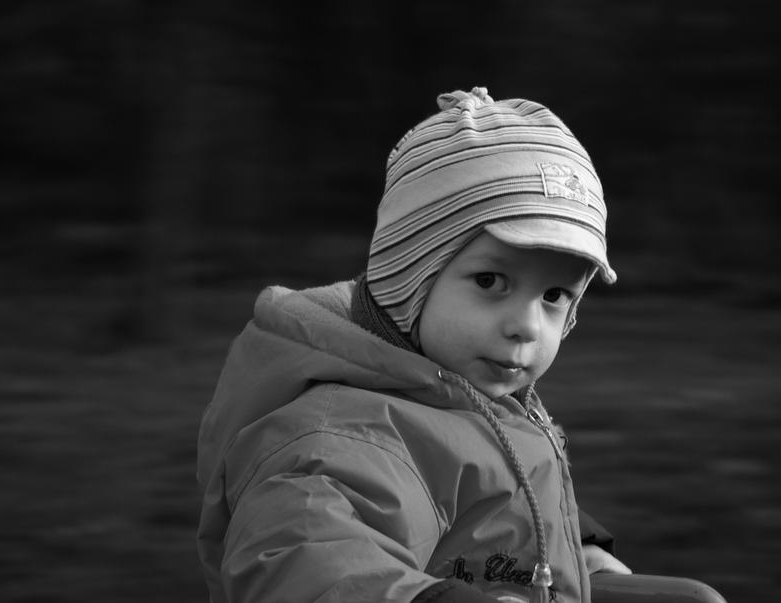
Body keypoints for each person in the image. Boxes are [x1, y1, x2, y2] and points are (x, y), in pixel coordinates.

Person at [197, 86, 631, 603]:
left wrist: (578, 549)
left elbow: (487, 485)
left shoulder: (460, 391)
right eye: (491, 282)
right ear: (410, 279)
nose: (527, 326)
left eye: (555, 295)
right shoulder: (340, 439)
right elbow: (307, 562)